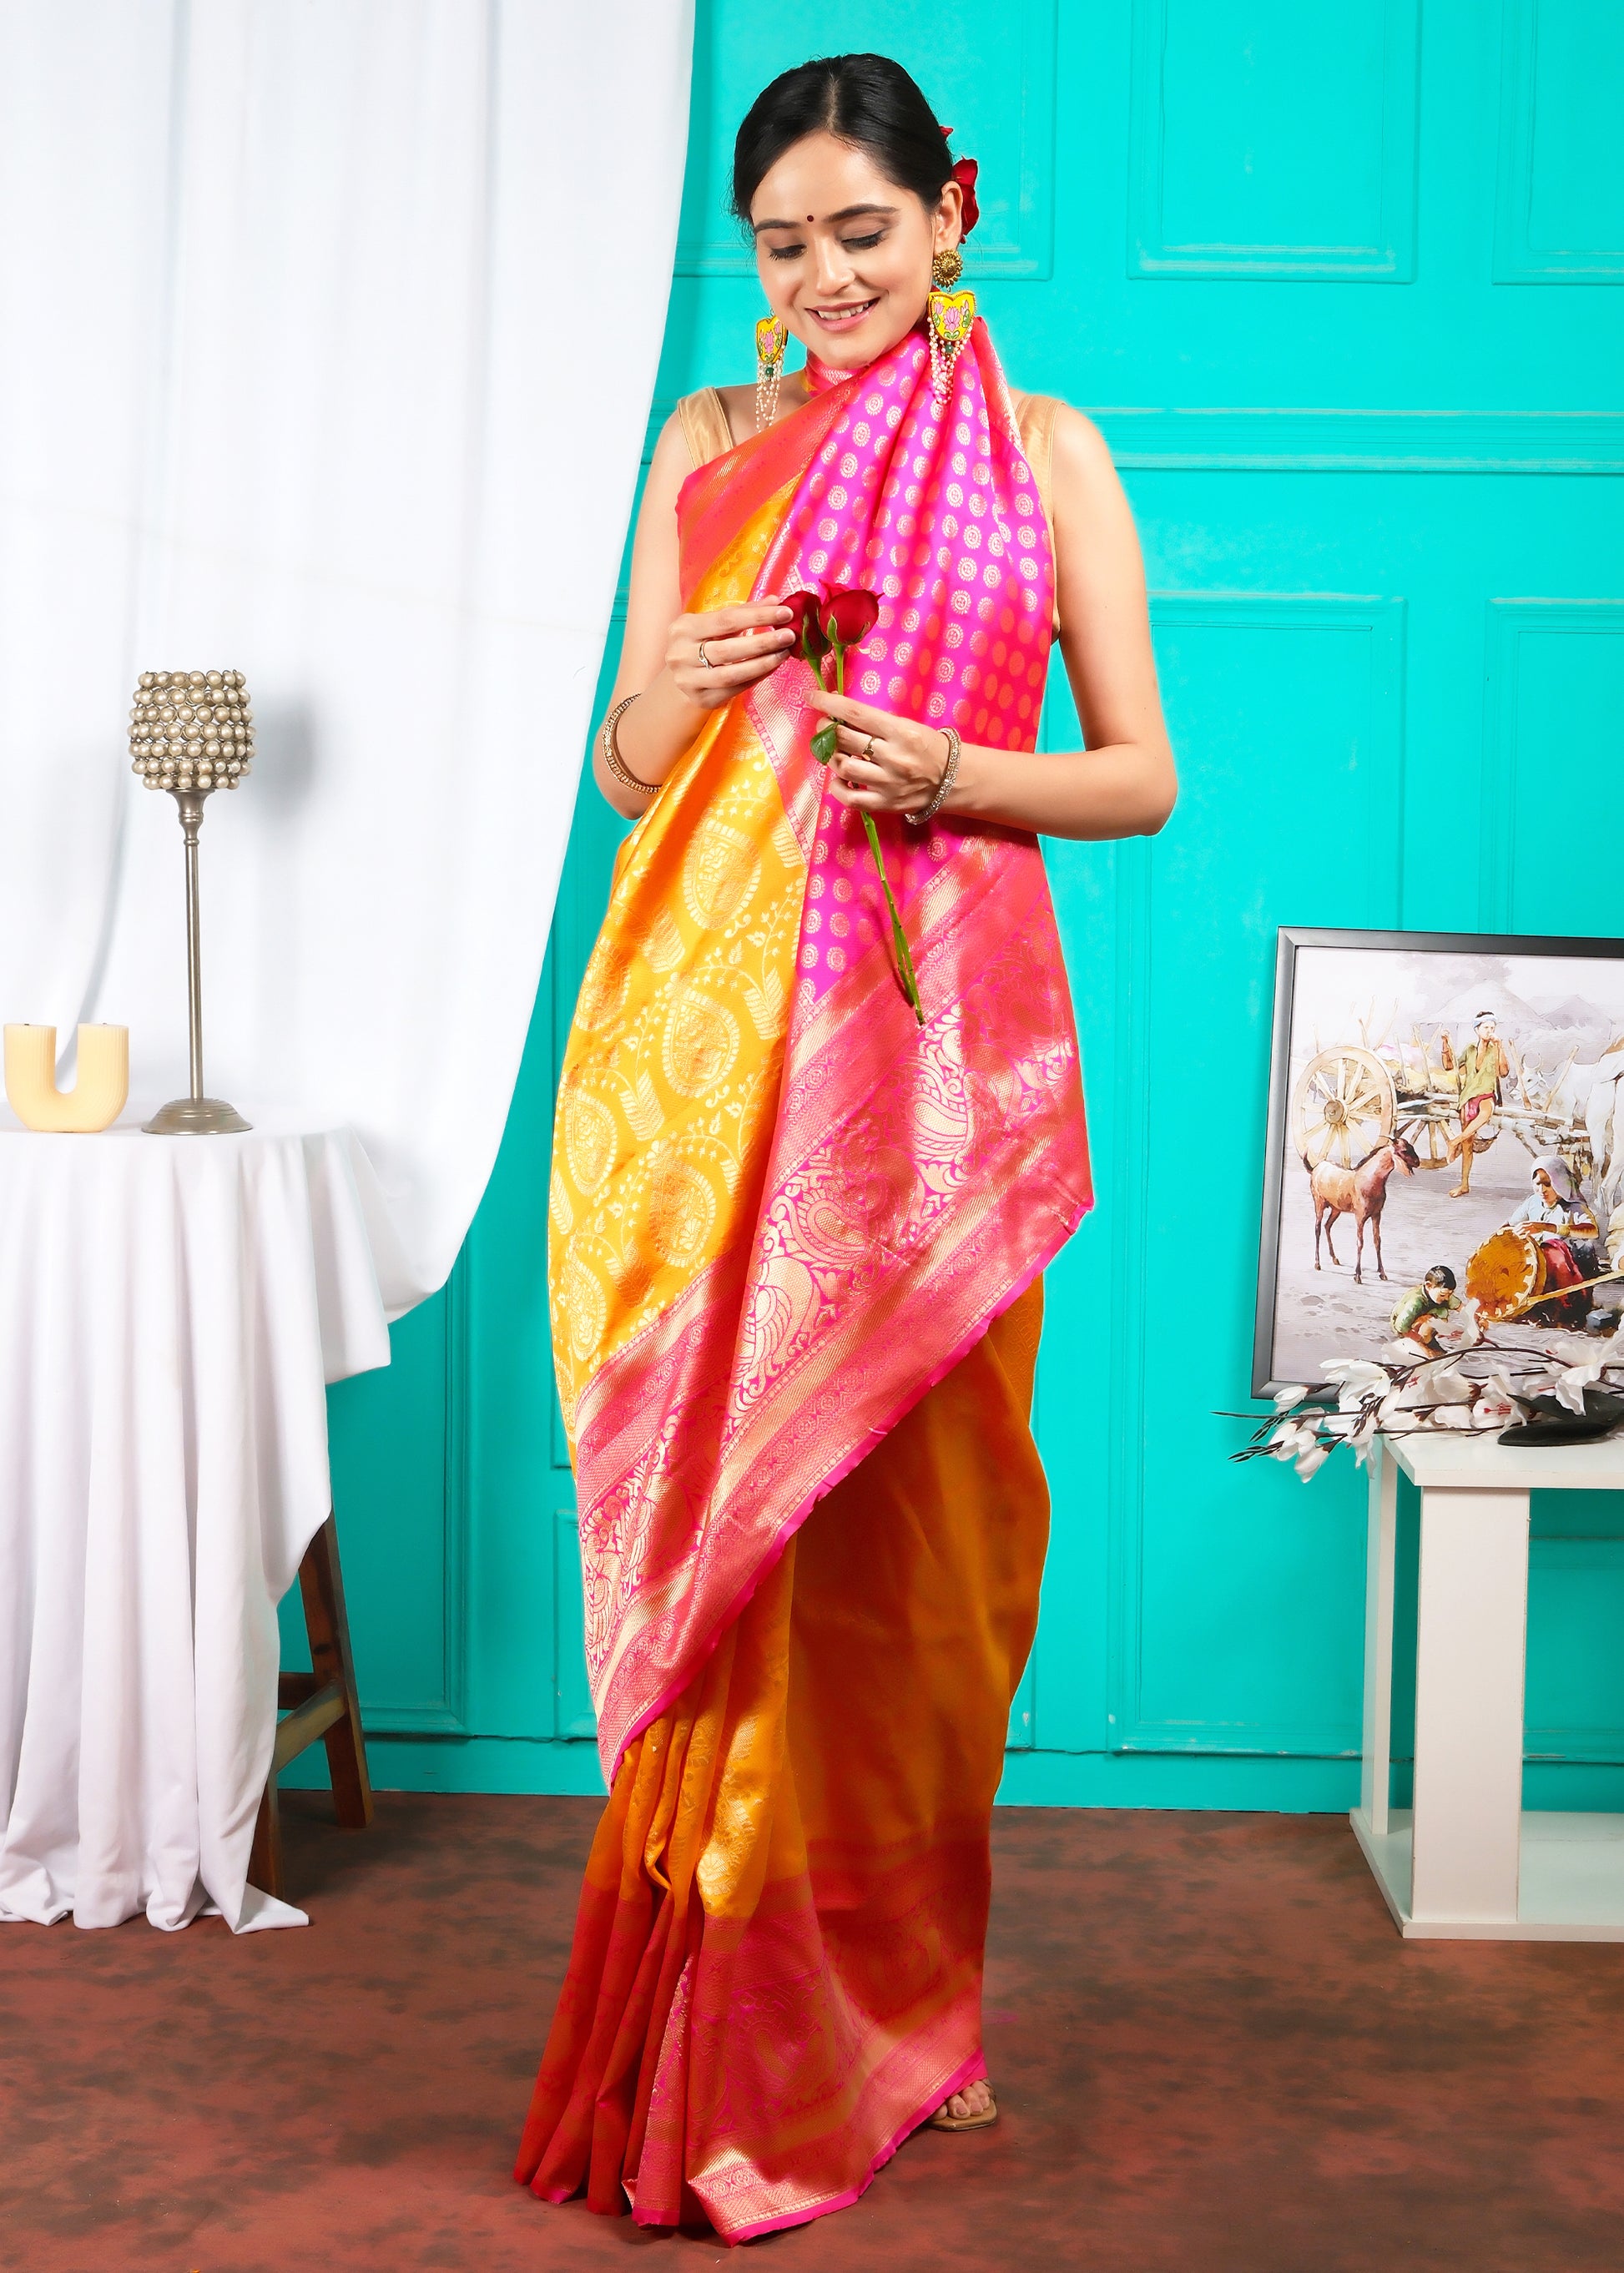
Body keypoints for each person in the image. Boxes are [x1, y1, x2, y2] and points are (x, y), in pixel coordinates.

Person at [514, 53, 1176, 2243]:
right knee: (754, 1541)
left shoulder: (1045, 450)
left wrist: (964, 772)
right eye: (781, 247)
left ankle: (915, 2014)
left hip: (937, 1072)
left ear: (949, 211)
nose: (821, 285)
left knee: (930, 1563)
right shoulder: (705, 446)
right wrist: (686, 681)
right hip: (727, 1082)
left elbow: (1140, 777)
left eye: (859, 236)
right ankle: (729, 2020)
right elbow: (625, 769)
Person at [1509, 1157, 1600, 1326]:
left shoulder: (1573, 1207)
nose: (1542, 1190)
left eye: (1548, 1184)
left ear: (1560, 1183)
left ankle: (1563, 1310)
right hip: (1538, 1272)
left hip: (1569, 1275)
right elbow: (1510, 1225)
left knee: (1552, 1249)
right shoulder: (1533, 1203)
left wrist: (1547, 1227)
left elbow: (1593, 1231)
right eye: (1537, 1184)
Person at [1445, 1011, 1511, 1197]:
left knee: (1485, 1113)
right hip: (1468, 1097)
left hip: (1487, 1095)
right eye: (1486, 1028)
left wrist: (1501, 1047)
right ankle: (1464, 1184)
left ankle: (1453, 1142)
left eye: (1492, 1028)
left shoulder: (1495, 1048)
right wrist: (1445, 1043)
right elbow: (1450, 1066)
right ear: (1477, 1029)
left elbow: (1504, 1071)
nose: (1489, 1031)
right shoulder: (1470, 1050)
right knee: (1468, 1146)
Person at [1389, 1264, 1462, 1356]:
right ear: (1428, 1286)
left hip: (1424, 1326)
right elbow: (1401, 1327)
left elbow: (1461, 1307)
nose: (1447, 1298)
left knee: (1441, 1355)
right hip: (1406, 1328)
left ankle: (1428, 1341)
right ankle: (1422, 1344)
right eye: (1443, 1295)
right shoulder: (1415, 1302)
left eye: (1450, 1294)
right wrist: (1422, 1345)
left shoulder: (1442, 1295)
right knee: (1427, 1355)